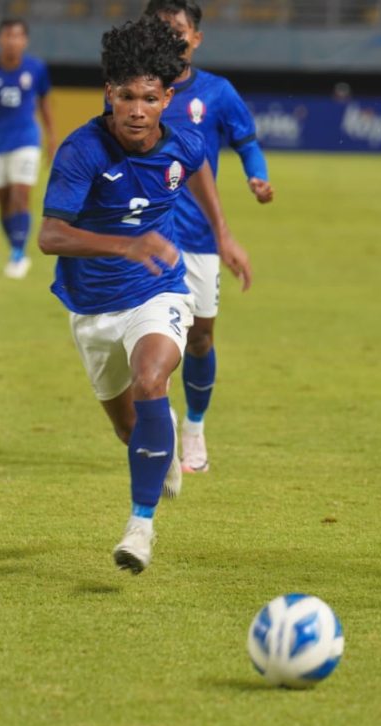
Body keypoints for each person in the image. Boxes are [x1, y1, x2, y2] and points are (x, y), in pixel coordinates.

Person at [38, 16, 252, 574]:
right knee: (128, 428)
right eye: (126, 96)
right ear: (108, 93)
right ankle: (162, 441)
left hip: (157, 292)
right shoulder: (82, 150)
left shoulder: (184, 141)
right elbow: (50, 236)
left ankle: (139, 528)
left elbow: (197, 165)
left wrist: (223, 234)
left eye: (149, 97)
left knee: (151, 379)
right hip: (90, 309)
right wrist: (123, 246)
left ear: (167, 98)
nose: (136, 109)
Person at [140, 0, 274, 475]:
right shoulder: (138, 89)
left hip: (197, 238)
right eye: (160, 28)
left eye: (178, 29)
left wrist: (256, 176)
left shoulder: (217, 93)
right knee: (144, 338)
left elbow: (246, 141)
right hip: (144, 235)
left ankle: (194, 427)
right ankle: (160, 414)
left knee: (199, 339)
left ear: (196, 38)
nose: (170, 36)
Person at [0, 18, 56, 279]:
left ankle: (18, 254)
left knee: (21, 195)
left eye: (17, 36)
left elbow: (45, 103)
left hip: (26, 141)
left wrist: (52, 137)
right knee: (3, 202)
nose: (12, 41)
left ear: (25, 40)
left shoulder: (36, 68)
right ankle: (15, 246)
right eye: (8, 35)